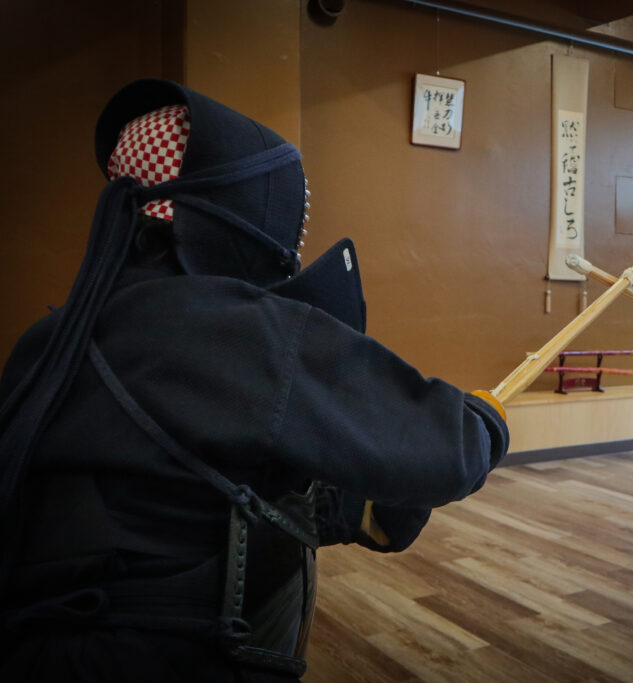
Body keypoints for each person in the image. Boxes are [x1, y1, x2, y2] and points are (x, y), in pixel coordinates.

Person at [0, 78, 509, 682]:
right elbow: (444, 451)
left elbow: (179, 490)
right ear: (242, 207)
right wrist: (484, 421)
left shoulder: (51, 336)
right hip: (175, 661)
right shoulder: (244, 331)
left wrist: (349, 511)